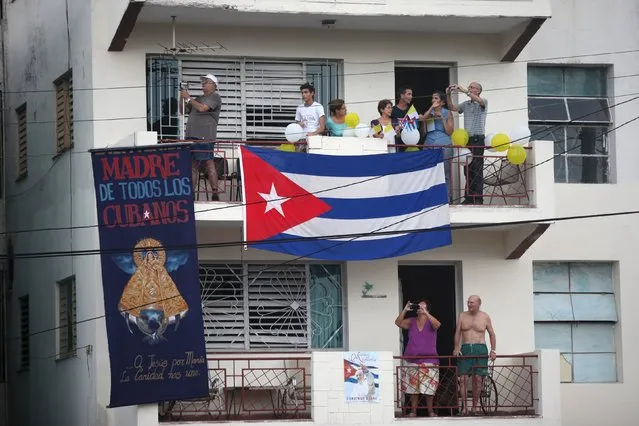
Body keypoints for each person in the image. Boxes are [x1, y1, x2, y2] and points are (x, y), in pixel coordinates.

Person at [395, 300, 442, 417]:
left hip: (430, 360)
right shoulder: (411, 321)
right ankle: (413, 411)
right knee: (412, 388)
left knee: (429, 389)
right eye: (419, 306)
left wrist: (426, 313)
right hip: (412, 359)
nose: (419, 307)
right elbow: (398, 322)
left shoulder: (431, 321)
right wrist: (405, 310)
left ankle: (430, 411)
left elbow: (437, 325)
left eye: (422, 306)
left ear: (428, 309)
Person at [180, 74, 223, 200]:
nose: (203, 83)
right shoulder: (198, 98)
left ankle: (215, 193)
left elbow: (203, 108)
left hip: (205, 136)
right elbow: (183, 111)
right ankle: (192, 194)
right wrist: (182, 96)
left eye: (207, 81)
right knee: (193, 165)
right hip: (191, 135)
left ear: (214, 85)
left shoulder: (215, 96)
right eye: (203, 81)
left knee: (209, 162)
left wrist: (188, 98)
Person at [453, 295, 497, 416]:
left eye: (472, 302)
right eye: (468, 302)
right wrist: (456, 347)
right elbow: (457, 332)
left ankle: (475, 407)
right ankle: (465, 408)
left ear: (478, 303)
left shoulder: (485, 316)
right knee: (462, 379)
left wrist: (493, 350)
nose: (469, 304)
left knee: (478, 379)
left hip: (480, 348)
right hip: (466, 348)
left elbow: (492, 334)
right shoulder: (462, 315)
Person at [446, 82, 488, 204]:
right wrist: (448, 94)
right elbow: (452, 107)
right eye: (469, 86)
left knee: (477, 168)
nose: (469, 88)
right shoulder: (466, 104)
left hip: (478, 139)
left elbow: (479, 102)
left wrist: (464, 90)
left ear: (478, 91)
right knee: (468, 169)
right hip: (467, 140)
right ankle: (469, 197)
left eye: (472, 87)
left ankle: (478, 198)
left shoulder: (483, 101)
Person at [423, 91, 454, 191]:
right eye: (432, 98)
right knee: (428, 173)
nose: (433, 100)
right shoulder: (429, 113)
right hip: (429, 143)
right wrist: (431, 108)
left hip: (444, 144)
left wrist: (442, 119)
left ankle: (447, 198)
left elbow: (450, 132)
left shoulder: (447, 113)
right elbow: (423, 128)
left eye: (436, 98)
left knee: (445, 172)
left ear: (442, 102)